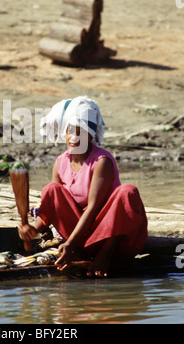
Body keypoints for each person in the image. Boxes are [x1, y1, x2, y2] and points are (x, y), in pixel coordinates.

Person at [19, 96, 148, 278]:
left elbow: (94, 208)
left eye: (80, 132)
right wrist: (32, 230)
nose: (73, 138)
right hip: (81, 236)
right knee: (51, 189)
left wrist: (72, 244)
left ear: (90, 134)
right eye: (69, 131)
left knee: (127, 192)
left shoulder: (102, 161)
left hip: (111, 237)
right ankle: (83, 250)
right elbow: (51, 207)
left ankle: (105, 255)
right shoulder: (61, 161)